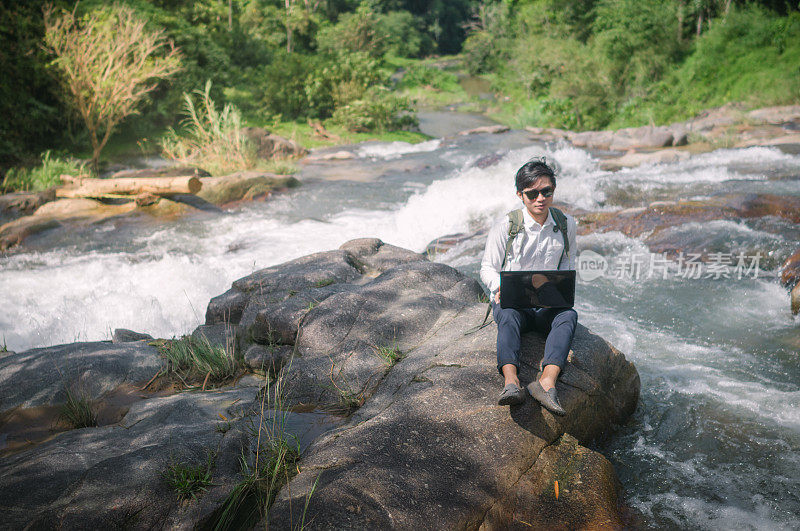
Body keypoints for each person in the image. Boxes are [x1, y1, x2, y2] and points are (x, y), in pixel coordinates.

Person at [479, 159, 578, 415]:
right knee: (508, 315)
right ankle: (511, 383)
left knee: (568, 315)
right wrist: (498, 285)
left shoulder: (566, 225)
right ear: (520, 195)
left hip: (547, 304)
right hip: (513, 303)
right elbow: (487, 268)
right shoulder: (505, 226)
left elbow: (567, 261)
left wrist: (562, 289)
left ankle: (546, 383)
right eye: (532, 193)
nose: (540, 199)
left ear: (553, 191)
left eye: (546, 192)